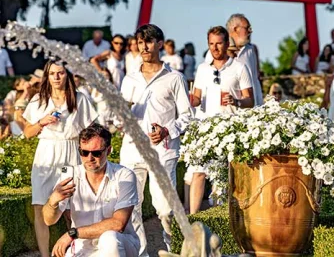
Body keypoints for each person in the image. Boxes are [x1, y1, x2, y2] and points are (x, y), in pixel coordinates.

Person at [118, 24, 193, 256]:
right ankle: (142, 253)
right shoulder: (129, 79)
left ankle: (171, 250)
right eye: (141, 42)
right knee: (132, 207)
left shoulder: (175, 78)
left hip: (163, 150)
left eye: (149, 42)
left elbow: (188, 116)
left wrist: (167, 130)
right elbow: (119, 117)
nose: (144, 47)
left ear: (160, 44)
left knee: (164, 209)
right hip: (132, 150)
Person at [22, 60, 97, 257]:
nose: (56, 77)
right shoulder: (38, 100)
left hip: (71, 150)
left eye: (60, 73)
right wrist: (42, 122)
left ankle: (77, 252)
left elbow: (92, 131)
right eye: (52, 73)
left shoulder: (79, 99)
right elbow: (28, 133)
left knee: (72, 208)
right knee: (40, 207)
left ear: (67, 75)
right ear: (47, 76)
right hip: (46, 154)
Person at [43, 123, 139, 257]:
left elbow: (118, 224)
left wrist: (72, 233)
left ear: (109, 150)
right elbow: (49, 220)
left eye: (97, 153)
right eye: (84, 152)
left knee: (109, 238)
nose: (89, 158)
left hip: (121, 246)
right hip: (83, 248)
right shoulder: (69, 175)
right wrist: (52, 201)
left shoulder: (124, 176)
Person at [187, 26, 254, 214]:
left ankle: (219, 218)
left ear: (226, 44)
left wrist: (237, 100)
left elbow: (250, 100)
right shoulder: (202, 69)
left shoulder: (239, 67)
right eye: (211, 44)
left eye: (218, 43)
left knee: (222, 178)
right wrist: (188, 99)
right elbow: (197, 98)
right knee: (198, 173)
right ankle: (192, 219)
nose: (214, 48)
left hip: (229, 131)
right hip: (206, 128)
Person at [226, 14, 263, 106]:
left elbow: (256, 80)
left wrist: (259, 104)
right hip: (228, 110)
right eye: (247, 28)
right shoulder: (216, 52)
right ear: (235, 29)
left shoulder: (252, 50)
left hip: (251, 108)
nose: (250, 31)